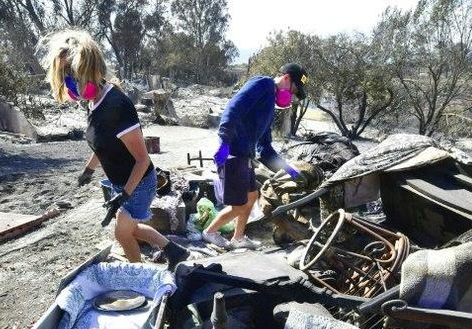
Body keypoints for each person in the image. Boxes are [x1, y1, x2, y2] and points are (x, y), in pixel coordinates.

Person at [42, 30, 189, 268]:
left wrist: (125, 195)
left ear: (91, 71)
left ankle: (138, 275)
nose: (69, 81)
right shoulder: (93, 103)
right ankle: (173, 250)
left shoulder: (116, 106)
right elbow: (103, 145)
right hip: (122, 183)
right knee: (129, 228)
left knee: (122, 233)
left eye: (73, 75)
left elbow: (142, 160)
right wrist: (88, 170)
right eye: (66, 75)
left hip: (139, 183)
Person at [202, 63, 309, 250]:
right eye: (293, 91)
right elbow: (233, 108)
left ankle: (238, 237)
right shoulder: (263, 84)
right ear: (286, 78)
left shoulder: (268, 107)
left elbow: (265, 148)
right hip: (233, 153)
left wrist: (289, 171)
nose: (290, 97)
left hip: (245, 155)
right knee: (239, 205)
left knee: (252, 196)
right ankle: (210, 232)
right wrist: (224, 144)